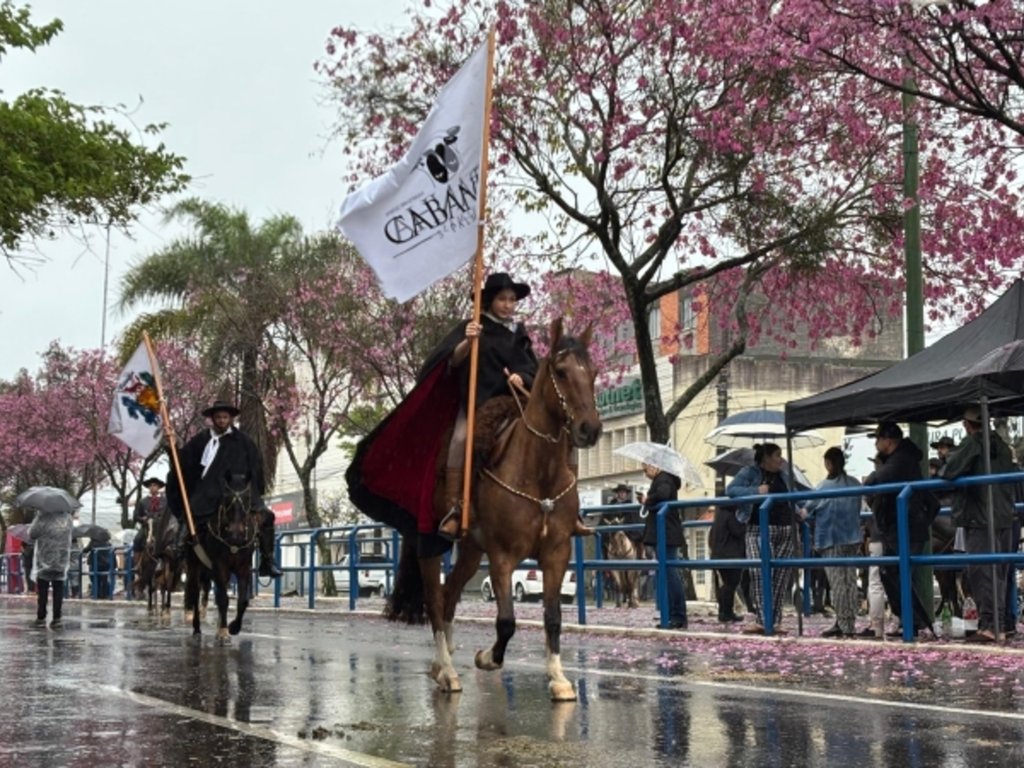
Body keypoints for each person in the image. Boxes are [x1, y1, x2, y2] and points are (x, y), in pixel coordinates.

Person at [434, 273, 558, 540]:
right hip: (478, 403)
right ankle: (455, 508)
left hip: (517, 402)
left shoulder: (519, 333)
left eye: (512, 299)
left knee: (556, 431)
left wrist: (521, 377)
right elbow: (451, 362)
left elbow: (532, 369)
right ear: (490, 300)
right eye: (502, 299)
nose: (508, 304)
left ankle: (564, 505)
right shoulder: (472, 327)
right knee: (460, 439)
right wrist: (468, 342)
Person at [166, 400, 282, 578]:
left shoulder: (244, 441)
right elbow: (184, 462)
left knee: (267, 516)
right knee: (189, 512)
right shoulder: (201, 440)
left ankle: (267, 560)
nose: (221, 420)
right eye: (218, 417)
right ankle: (180, 548)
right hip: (207, 492)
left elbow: (255, 467)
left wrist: (252, 490)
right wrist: (172, 446)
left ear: (231, 419)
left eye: (225, 417)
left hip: (238, 491)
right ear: (212, 419)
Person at [941, 405, 1018, 643]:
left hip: (981, 516)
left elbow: (949, 471)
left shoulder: (973, 443)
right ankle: (1003, 624)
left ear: (967, 425)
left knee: (982, 571)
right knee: (1001, 572)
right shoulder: (1003, 447)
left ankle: (989, 626)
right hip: (1006, 516)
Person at [862, 422, 936, 638]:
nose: (876, 443)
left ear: (889, 440)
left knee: (895, 573)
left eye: (878, 438)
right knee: (892, 572)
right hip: (901, 527)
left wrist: (870, 481)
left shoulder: (901, 460)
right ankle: (912, 620)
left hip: (906, 527)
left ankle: (914, 621)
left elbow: (880, 478)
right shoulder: (902, 459)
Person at [726, 442, 797, 635]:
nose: (780, 459)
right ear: (765, 457)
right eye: (777, 455)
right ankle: (763, 619)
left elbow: (797, 495)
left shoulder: (785, 474)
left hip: (785, 529)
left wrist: (801, 511)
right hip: (759, 528)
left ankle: (775, 620)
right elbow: (731, 490)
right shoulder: (750, 472)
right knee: (760, 572)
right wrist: (756, 491)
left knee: (780, 578)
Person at [800, 447, 864, 638]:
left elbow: (805, 511)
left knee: (837, 583)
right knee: (850, 581)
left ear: (828, 464)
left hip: (830, 539)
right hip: (852, 538)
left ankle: (844, 623)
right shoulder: (854, 484)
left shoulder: (823, 487)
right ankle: (849, 621)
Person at [638, 463, 686, 629]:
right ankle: (673, 614)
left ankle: (677, 615)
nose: (645, 473)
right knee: (668, 573)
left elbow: (663, 494)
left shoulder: (664, 478)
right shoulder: (665, 478)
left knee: (670, 573)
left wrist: (647, 500)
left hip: (666, 532)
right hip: (666, 532)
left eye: (645, 469)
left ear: (654, 466)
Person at [28, 501, 74, 629]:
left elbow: (32, 534)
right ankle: (57, 618)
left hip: (44, 559)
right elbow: (71, 534)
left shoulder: (42, 517)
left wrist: (36, 518)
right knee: (58, 590)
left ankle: (41, 617)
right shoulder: (67, 518)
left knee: (42, 590)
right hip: (61, 560)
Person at [708, 503, 748, 623]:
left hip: (719, 555)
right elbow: (738, 531)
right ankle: (727, 613)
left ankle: (724, 612)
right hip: (731, 554)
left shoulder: (718, 517)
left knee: (726, 584)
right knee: (731, 584)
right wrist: (745, 524)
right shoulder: (730, 516)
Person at [132, 477, 167, 566]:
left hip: (162, 527)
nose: (152, 487)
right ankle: (137, 563)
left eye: (154, 485)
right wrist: (143, 519)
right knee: (137, 539)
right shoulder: (143, 501)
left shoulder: (165, 501)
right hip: (147, 528)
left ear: (159, 487)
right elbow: (136, 516)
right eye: (150, 486)